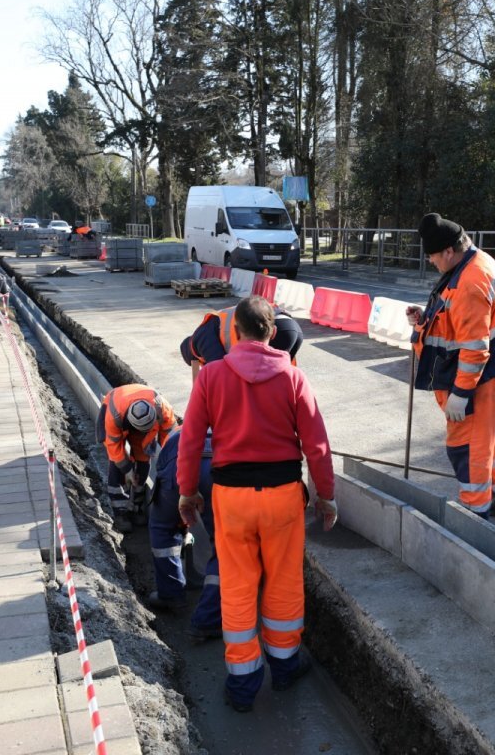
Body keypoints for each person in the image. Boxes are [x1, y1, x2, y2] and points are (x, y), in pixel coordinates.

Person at [177, 296, 337, 713]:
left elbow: (191, 441)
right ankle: (285, 669)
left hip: (230, 500)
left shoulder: (211, 376)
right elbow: (317, 446)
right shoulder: (293, 377)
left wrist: (186, 491)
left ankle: (243, 685)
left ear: (237, 333)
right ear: (271, 332)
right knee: (283, 583)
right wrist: (326, 496)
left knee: (237, 586)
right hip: (283, 497)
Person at [406, 212, 495, 519]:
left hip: (476, 378)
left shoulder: (471, 282)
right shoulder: (472, 263)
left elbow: (475, 348)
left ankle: (476, 510)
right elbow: (457, 323)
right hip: (479, 372)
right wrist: (425, 320)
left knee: (466, 445)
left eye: (433, 257)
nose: (432, 263)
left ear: (449, 250)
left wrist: (461, 393)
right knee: (481, 434)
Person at [145, 427, 223, 644]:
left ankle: (171, 595)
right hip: (219, 471)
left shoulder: (176, 432)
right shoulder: (232, 425)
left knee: (162, 527)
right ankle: (207, 620)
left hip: (177, 468)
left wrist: (181, 524)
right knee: (224, 546)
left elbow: (164, 480)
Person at [97, 384, 177, 532]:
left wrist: (170, 465)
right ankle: (121, 513)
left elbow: (171, 441)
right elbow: (114, 447)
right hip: (115, 405)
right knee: (117, 466)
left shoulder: (163, 410)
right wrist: (127, 469)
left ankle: (137, 507)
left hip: (142, 422)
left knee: (143, 462)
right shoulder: (114, 415)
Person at [179, 305, 304, 381]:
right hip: (289, 325)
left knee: (263, 386)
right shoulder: (209, 326)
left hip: (276, 329)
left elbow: (223, 374)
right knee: (279, 385)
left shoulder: (201, 340)